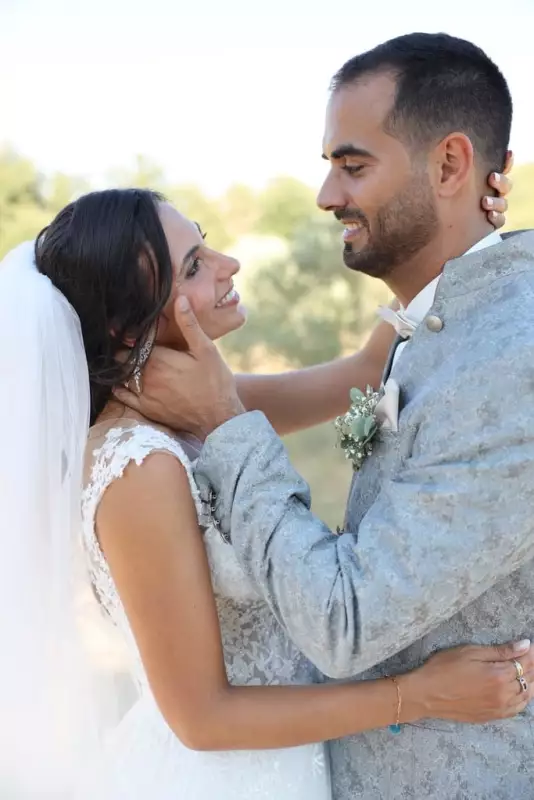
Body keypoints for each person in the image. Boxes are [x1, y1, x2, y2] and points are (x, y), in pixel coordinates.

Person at [0, 173, 524, 799]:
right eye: (194, 266)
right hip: (226, 778)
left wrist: (455, 226)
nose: (229, 265)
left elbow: (360, 372)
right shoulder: (139, 471)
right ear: (125, 327)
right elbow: (202, 717)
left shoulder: (207, 402)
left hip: (290, 759)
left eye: (207, 244)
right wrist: (417, 695)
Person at [115, 34, 534, 799]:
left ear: (449, 164)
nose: (326, 196)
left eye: (352, 164)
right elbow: (355, 375)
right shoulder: (135, 455)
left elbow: (347, 619)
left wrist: (225, 422)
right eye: (193, 263)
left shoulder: (510, 356)